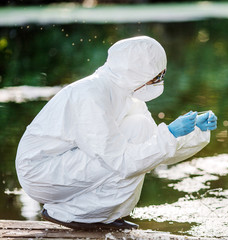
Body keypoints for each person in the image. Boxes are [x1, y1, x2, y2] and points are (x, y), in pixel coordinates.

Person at [15, 36, 217, 230]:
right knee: (129, 152)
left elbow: (154, 150)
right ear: (136, 71)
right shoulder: (91, 95)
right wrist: (170, 133)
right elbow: (122, 162)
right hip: (40, 171)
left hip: (65, 161)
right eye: (156, 76)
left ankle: (103, 215)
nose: (158, 81)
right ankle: (74, 213)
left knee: (141, 128)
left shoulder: (128, 94)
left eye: (161, 75)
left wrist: (193, 132)